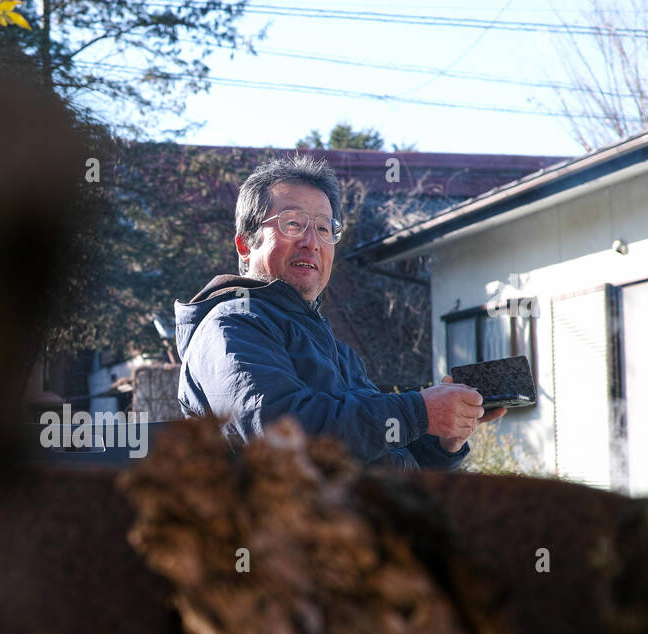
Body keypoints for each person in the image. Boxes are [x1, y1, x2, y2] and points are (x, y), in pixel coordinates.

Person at [175, 155, 504, 469]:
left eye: (324, 228)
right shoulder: (232, 325)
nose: (311, 242)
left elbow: (387, 455)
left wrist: (445, 437)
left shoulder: (334, 348)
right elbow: (281, 439)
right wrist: (417, 411)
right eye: (292, 223)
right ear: (246, 244)